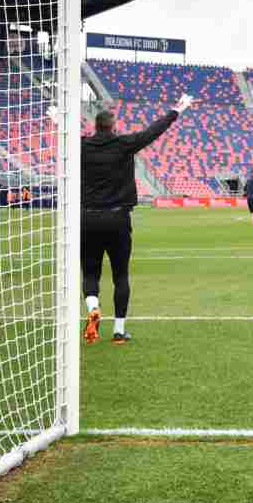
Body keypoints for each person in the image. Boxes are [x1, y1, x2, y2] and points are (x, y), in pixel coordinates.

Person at [81, 94, 193, 345]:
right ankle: (119, 331)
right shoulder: (124, 144)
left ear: (95, 127)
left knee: (90, 273)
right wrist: (177, 109)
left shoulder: (82, 146)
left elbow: (64, 139)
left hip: (87, 218)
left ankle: (93, 308)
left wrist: (56, 119)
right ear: (113, 127)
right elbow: (154, 130)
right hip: (118, 219)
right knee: (121, 276)